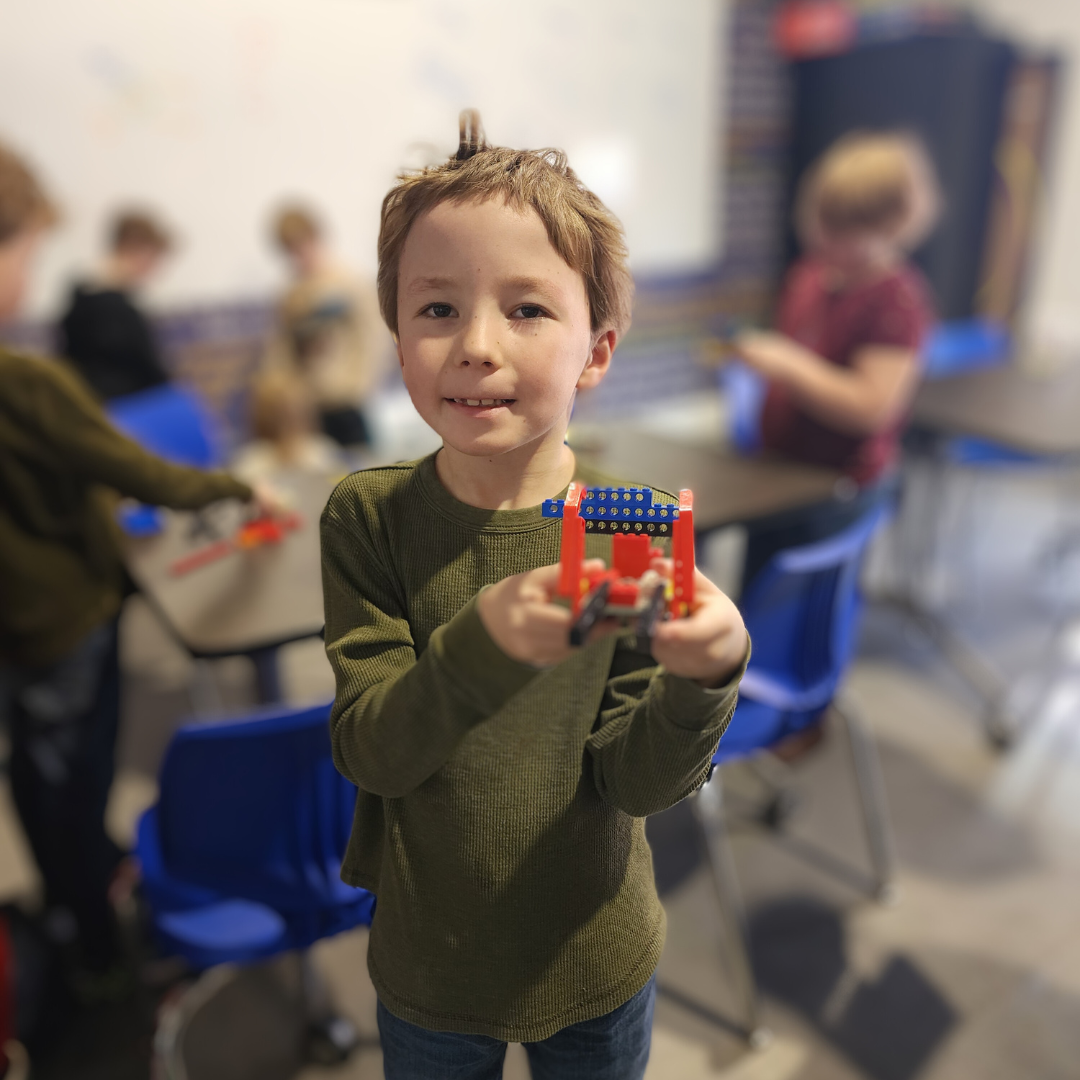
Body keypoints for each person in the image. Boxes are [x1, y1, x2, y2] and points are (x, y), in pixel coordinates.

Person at [321, 112, 750, 1080]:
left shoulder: (626, 531)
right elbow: (371, 751)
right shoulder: (368, 519)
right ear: (395, 332)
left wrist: (706, 678)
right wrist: (484, 646)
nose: (475, 345)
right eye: (436, 309)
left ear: (595, 353)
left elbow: (638, 785)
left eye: (526, 309)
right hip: (432, 969)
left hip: (595, 956)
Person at [0, 141, 275, 983]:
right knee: (78, 771)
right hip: (69, 621)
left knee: (37, 769)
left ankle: (71, 899)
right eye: (26, 252)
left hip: (14, 626)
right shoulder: (26, 382)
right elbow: (139, 471)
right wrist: (238, 489)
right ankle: (98, 942)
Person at [731, 131, 939, 590]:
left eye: (845, 230)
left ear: (891, 226)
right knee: (753, 593)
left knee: (793, 606)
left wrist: (787, 364)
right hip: (781, 469)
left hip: (838, 487)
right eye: (823, 222)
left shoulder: (896, 300)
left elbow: (872, 409)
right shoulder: (810, 276)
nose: (825, 239)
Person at [266, 203, 383, 447]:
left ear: (316, 237)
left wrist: (360, 385)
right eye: (291, 250)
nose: (299, 255)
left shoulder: (349, 283)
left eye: (302, 245)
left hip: (348, 398)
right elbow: (283, 349)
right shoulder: (291, 295)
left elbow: (372, 339)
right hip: (308, 404)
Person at [57, 208, 174, 401]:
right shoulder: (114, 307)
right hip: (120, 410)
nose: (154, 269)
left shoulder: (80, 293)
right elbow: (148, 370)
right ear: (135, 249)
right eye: (153, 258)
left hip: (84, 405)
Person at [230, 369, 343, 485]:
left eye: (296, 411)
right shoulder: (250, 464)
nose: (289, 422)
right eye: (280, 414)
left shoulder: (322, 455)